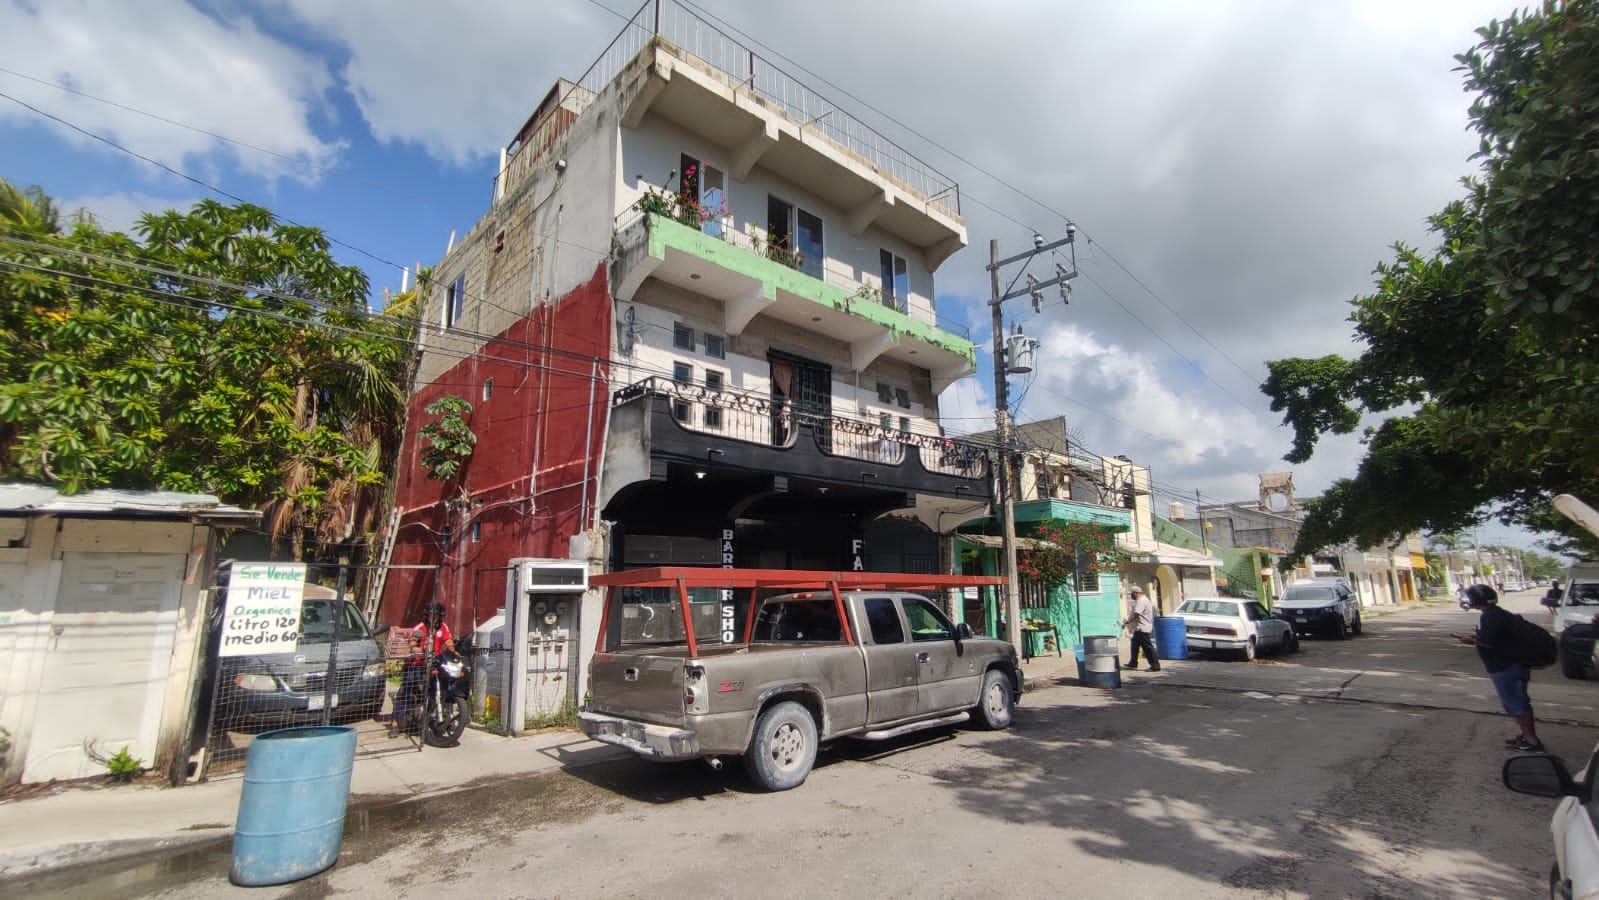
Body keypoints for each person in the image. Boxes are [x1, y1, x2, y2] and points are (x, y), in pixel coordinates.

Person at [1456, 583, 1543, 752]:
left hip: (1506, 667)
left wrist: (1471, 640)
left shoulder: (1491, 617)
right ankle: (1526, 735)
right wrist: (1476, 637)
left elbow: (1489, 643)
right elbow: (1496, 638)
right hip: (1510, 665)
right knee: (1517, 702)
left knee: (1516, 703)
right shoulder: (1496, 614)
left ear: (1477, 599)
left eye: (1470, 597)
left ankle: (1531, 741)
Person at [1122, 586, 1161, 672]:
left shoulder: (1141, 601)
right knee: (1134, 644)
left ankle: (1155, 665)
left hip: (1143, 627)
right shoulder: (1142, 600)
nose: (1131, 595)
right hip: (1139, 628)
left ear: (1136, 593)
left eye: (1132, 594)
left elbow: (1136, 614)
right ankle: (1133, 662)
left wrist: (1126, 622)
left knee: (1147, 647)